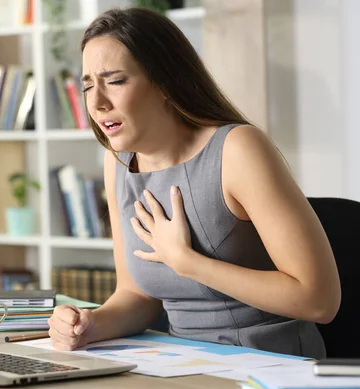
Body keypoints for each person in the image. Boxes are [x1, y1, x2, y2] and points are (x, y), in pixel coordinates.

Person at [47, 7, 341, 359]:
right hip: (183, 364)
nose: (96, 103)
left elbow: (319, 300)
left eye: (115, 81)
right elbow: (137, 296)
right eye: (88, 85)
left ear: (165, 81)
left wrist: (189, 263)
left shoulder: (238, 150)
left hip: (272, 366)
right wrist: (90, 325)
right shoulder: (120, 162)